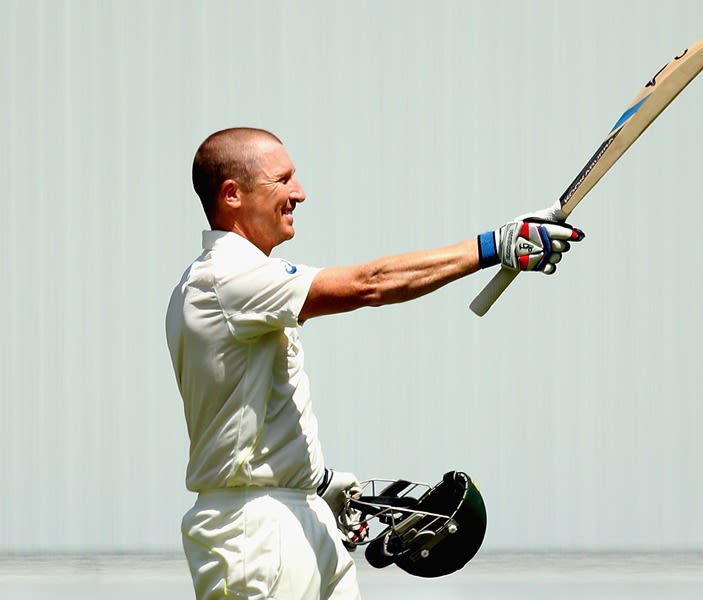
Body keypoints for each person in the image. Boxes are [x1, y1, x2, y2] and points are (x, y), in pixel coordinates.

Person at [165, 127, 584, 600]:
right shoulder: (225, 275)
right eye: (282, 181)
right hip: (255, 530)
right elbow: (372, 283)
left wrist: (315, 483)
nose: (299, 193)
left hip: (299, 519)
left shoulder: (241, 281)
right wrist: (492, 246)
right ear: (232, 194)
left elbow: (249, 410)